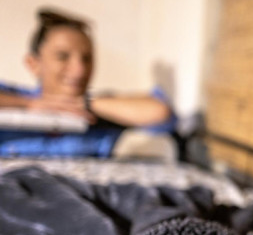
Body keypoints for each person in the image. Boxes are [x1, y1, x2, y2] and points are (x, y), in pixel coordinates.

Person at [0, 9, 176, 157]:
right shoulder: (12, 99)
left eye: (87, 59)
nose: (79, 70)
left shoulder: (100, 109)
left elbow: (159, 112)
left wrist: (86, 104)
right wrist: (30, 104)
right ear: (34, 63)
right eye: (63, 57)